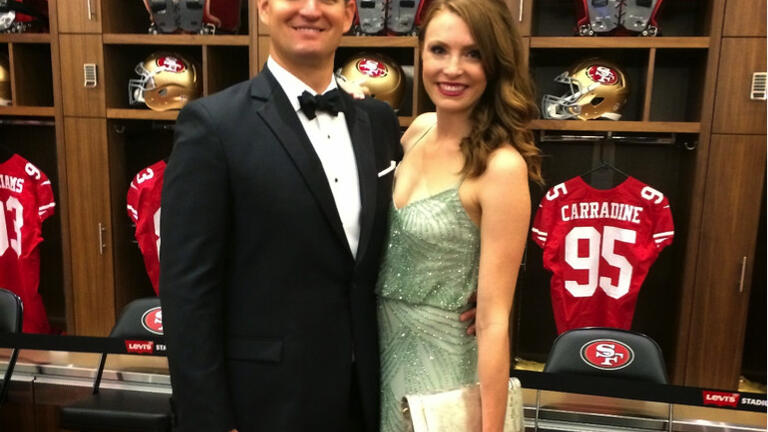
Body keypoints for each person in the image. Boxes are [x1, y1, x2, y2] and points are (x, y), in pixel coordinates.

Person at [158, 0, 403, 430]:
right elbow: (187, 291)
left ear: (349, 14)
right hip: (263, 404)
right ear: (264, 8)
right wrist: (210, 420)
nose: (310, 9)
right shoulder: (213, 125)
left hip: (366, 395)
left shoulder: (377, 120)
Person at [375, 0, 542, 431]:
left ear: (496, 64)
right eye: (439, 50)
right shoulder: (418, 129)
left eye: (473, 53)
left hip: (443, 373)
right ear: (421, 54)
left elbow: (491, 320)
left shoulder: (501, 167)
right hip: (378, 356)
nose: (452, 69)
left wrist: (491, 428)